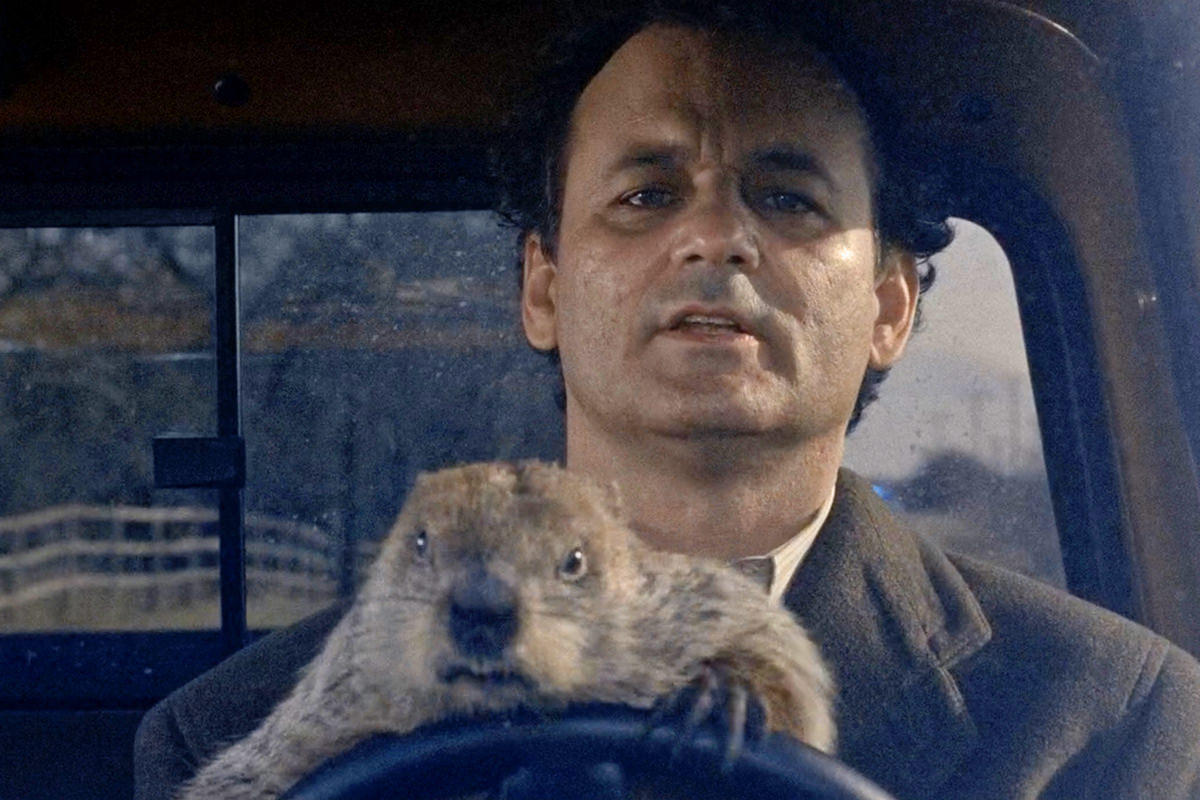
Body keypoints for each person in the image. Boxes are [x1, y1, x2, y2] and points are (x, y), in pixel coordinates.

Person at [134, 2, 1200, 798]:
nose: (714, 237)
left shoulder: (1108, 716)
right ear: (544, 288)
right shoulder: (235, 728)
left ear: (888, 305)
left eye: (785, 196)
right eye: (646, 193)